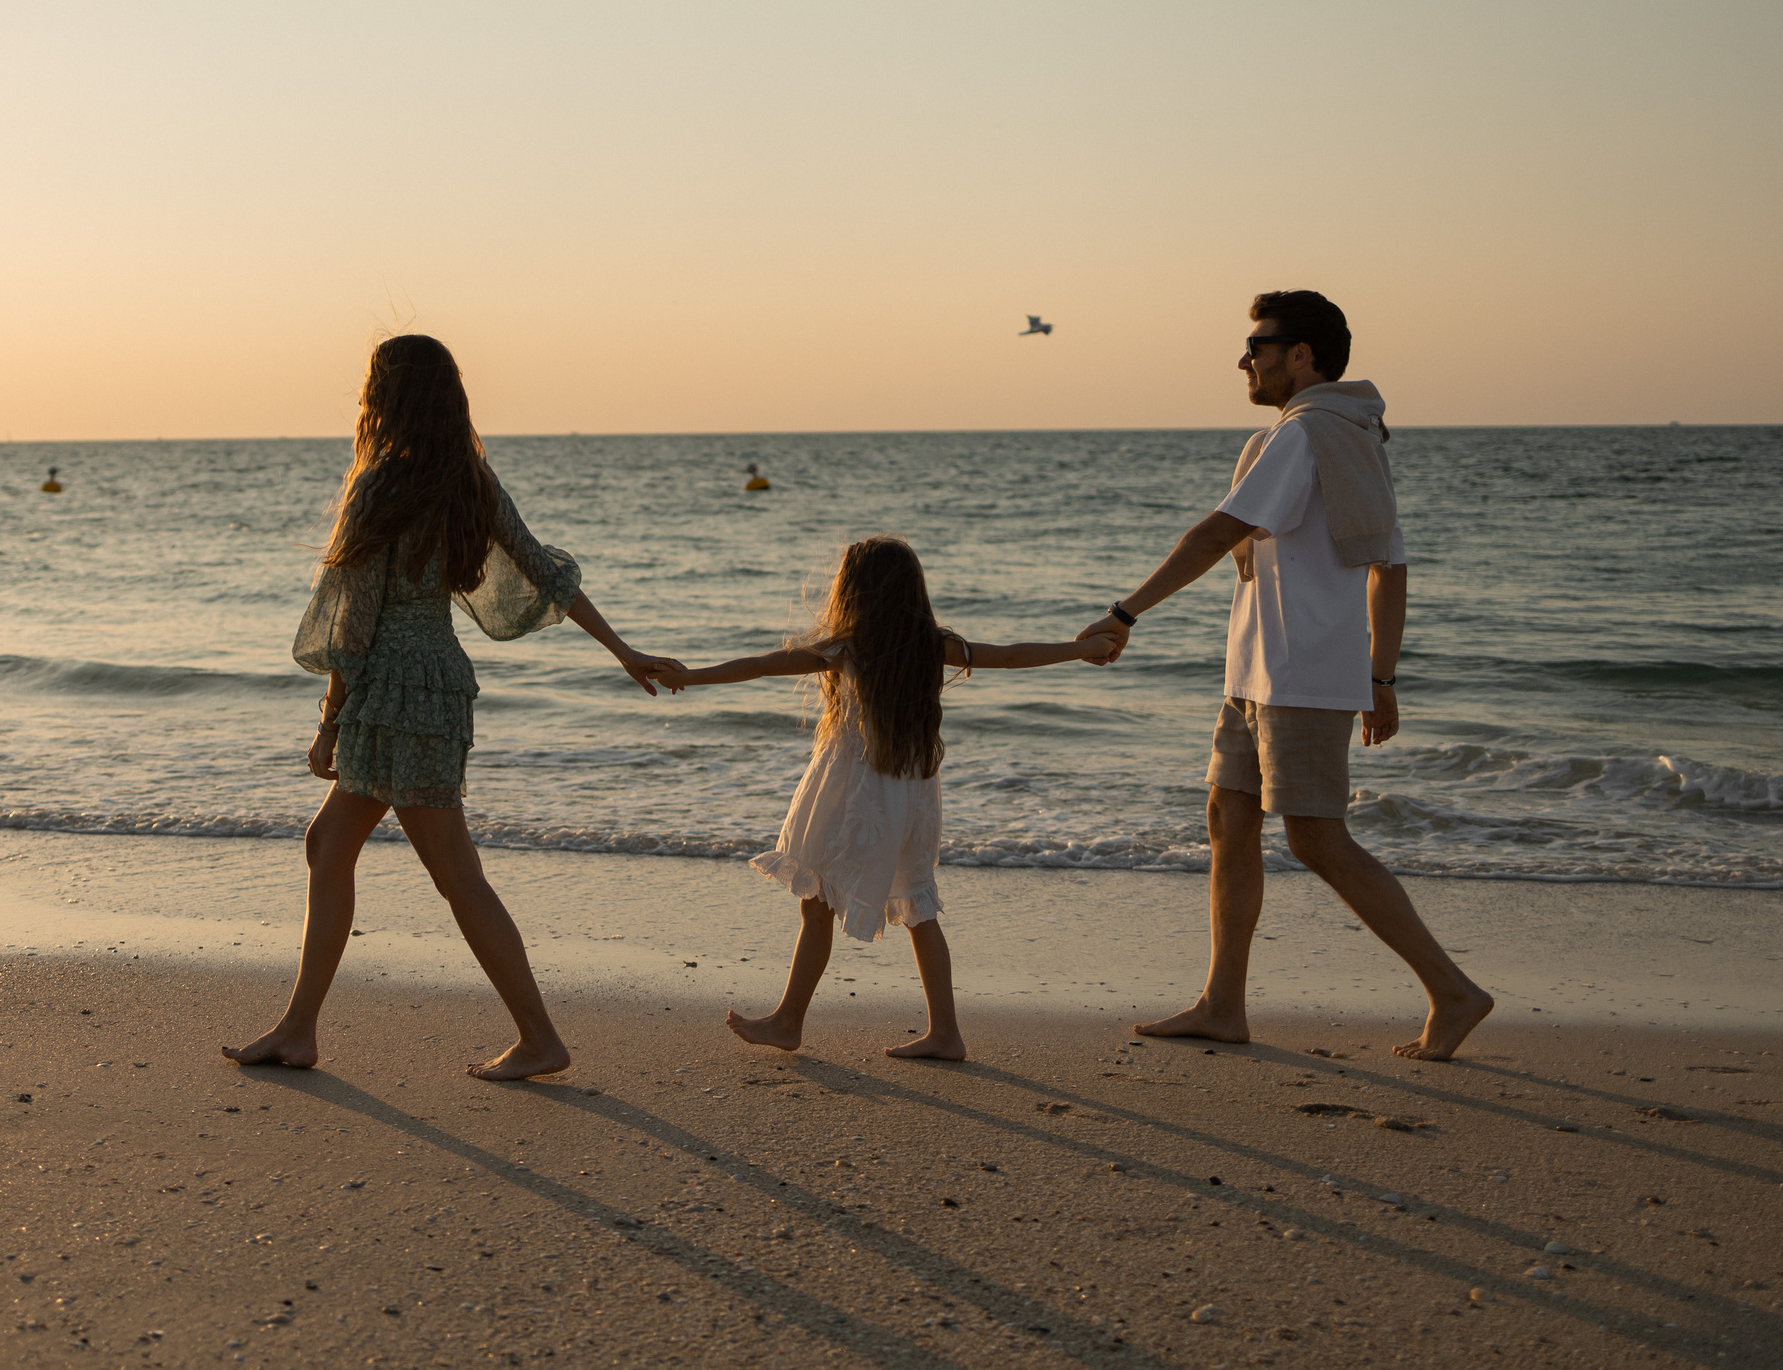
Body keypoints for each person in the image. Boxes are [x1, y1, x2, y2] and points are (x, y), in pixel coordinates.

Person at [223, 335, 680, 1081]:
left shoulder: (380, 486)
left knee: (452, 872)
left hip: (391, 689)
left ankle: (539, 1038)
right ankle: (299, 1028)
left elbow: (353, 622)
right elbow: (546, 571)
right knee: (331, 844)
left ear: (384, 398)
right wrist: (622, 649)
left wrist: (329, 719)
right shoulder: (470, 480)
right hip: (440, 682)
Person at [1078, 290, 1491, 1061]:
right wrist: (1382, 677)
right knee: (1229, 823)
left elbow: (1218, 531)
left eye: (1258, 344)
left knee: (1315, 837)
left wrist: (1126, 613)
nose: (1245, 359)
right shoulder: (1353, 435)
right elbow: (1390, 568)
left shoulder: (1305, 437)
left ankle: (1453, 991)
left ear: (1302, 356)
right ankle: (1222, 1005)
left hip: (1298, 674)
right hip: (1259, 672)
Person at [652, 536, 1114, 1061]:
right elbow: (1010, 655)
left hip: (853, 789)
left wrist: (691, 676)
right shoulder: (932, 645)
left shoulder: (848, 647)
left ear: (853, 592)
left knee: (818, 901)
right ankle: (945, 1033)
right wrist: (1082, 649)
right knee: (918, 902)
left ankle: (788, 1021)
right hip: (912, 791)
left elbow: (761, 663)